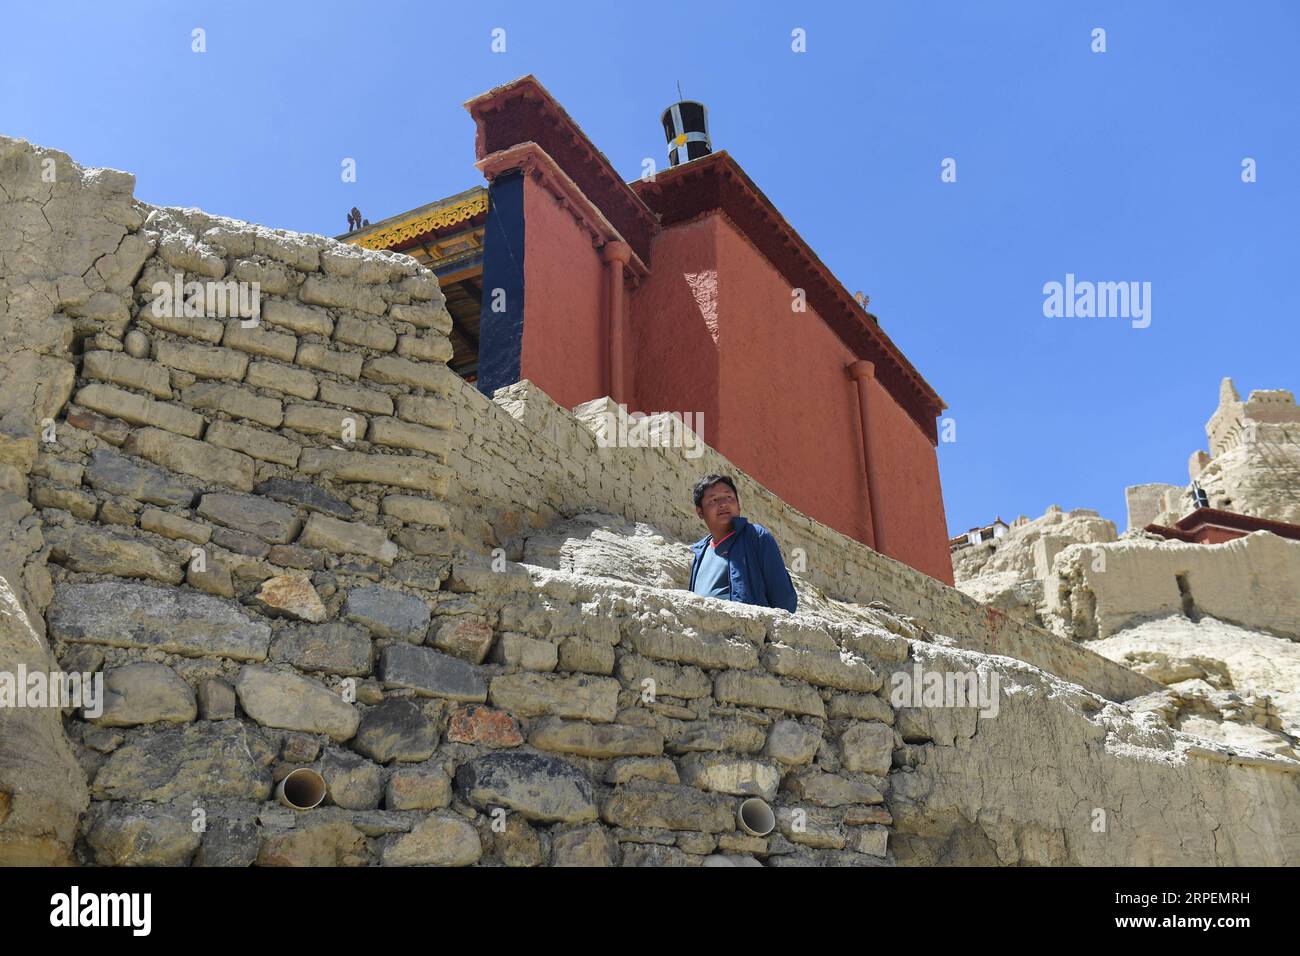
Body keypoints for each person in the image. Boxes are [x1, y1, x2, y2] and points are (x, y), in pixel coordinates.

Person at [688, 474, 797, 613]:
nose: (724, 504)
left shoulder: (756, 537)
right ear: (700, 512)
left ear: (739, 507)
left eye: (729, 498)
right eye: (714, 500)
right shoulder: (700, 551)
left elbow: (784, 601)